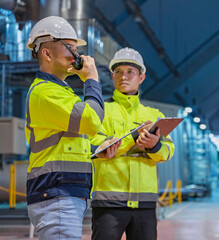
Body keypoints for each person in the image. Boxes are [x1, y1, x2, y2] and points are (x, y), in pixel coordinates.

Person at [25, 16, 104, 239]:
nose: (76, 55)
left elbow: (67, 142)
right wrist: (92, 80)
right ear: (47, 53)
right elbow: (92, 120)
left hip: (64, 193)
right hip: (57, 193)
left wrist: (96, 150)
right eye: (70, 47)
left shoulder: (62, 92)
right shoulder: (45, 93)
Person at [90, 47, 175, 240]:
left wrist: (154, 145)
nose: (123, 77)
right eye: (118, 72)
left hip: (144, 203)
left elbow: (169, 151)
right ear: (112, 76)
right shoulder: (101, 111)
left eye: (130, 72)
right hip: (109, 203)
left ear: (141, 77)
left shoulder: (155, 116)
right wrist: (134, 137)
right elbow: (95, 146)